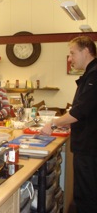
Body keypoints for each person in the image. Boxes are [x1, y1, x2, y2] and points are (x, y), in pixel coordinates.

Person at [41, 36, 97, 213]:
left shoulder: (95, 75)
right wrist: (69, 124)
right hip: (87, 145)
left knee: (87, 196)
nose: (70, 58)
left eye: (72, 53)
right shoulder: (90, 74)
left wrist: (54, 123)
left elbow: (80, 110)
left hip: (90, 148)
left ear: (86, 51)